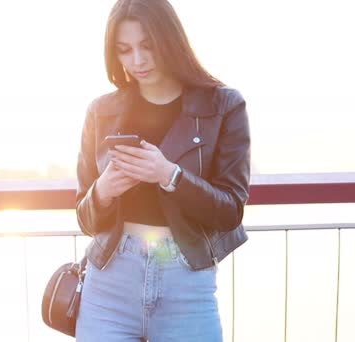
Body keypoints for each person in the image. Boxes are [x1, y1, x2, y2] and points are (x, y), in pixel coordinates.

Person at [74, 0, 251, 341]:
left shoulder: (225, 106)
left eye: (148, 46)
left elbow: (230, 210)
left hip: (185, 282)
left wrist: (170, 175)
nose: (137, 61)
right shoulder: (101, 112)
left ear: (170, 40)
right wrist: (104, 190)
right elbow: (85, 218)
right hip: (109, 284)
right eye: (124, 50)